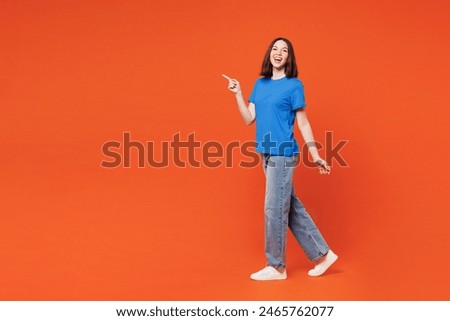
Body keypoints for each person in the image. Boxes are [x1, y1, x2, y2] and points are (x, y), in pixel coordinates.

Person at [223, 37, 338, 281]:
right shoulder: (260, 84)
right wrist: (238, 94)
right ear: (269, 54)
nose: (279, 53)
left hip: (283, 153)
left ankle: (276, 266)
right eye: (275, 49)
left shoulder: (294, 85)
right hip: (264, 151)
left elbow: (303, 123)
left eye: (284, 50)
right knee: (288, 206)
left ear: (288, 57)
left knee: (273, 208)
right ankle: (324, 254)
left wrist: (315, 154)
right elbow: (248, 118)